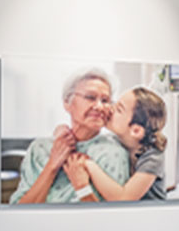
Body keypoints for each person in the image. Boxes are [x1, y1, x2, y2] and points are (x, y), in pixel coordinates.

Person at [14, 70, 119, 205]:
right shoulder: (40, 148)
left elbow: (112, 218)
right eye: (90, 97)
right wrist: (52, 166)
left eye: (105, 100)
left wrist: (82, 187)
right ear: (67, 103)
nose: (99, 106)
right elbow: (20, 209)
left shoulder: (113, 153)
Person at [72, 87, 170, 202]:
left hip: (149, 215)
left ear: (136, 131)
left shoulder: (153, 157)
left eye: (119, 109)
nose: (110, 108)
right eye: (114, 103)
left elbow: (123, 198)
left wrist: (89, 164)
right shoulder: (115, 140)